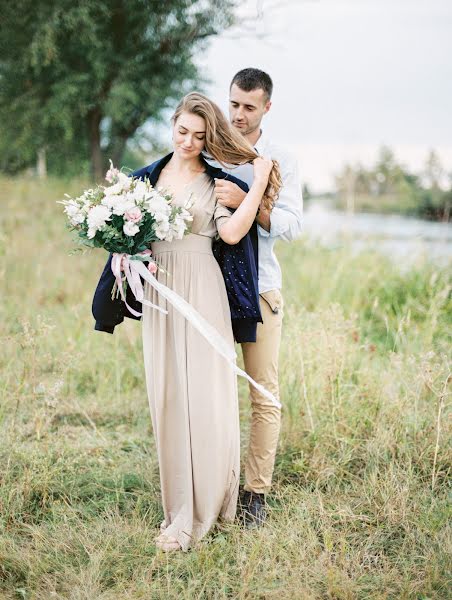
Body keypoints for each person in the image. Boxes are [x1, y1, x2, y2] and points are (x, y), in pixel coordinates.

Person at [92, 92, 281, 552]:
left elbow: (234, 232)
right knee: (169, 395)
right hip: (160, 294)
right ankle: (178, 501)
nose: (190, 142)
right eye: (183, 132)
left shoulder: (217, 182)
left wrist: (256, 182)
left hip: (203, 289)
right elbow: (125, 238)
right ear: (172, 124)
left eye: (200, 136)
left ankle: (212, 501)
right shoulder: (143, 181)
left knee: (208, 396)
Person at [209, 68, 303, 528]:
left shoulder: (281, 157)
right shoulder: (210, 147)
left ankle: (255, 494)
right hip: (209, 288)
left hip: (261, 287)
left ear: (267, 107)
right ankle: (213, 484)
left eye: (249, 107)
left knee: (263, 392)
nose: (238, 115)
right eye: (233, 104)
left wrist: (250, 197)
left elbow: (292, 224)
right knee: (210, 389)